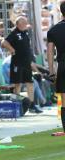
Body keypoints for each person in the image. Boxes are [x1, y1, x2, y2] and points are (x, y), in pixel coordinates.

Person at [1, 16, 43, 113]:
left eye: (25, 22)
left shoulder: (25, 33)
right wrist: (11, 49)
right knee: (18, 84)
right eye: (23, 23)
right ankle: (17, 106)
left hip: (26, 63)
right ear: (18, 24)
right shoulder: (14, 33)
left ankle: (32, 105)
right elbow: (4, 42)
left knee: (30, 83)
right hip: (17, 63)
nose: (25, 24)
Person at [47, 1, 65, 132]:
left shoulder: (53, 30)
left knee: (64, 101)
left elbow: (49, 52)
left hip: (63, 66)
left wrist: (51, 71)